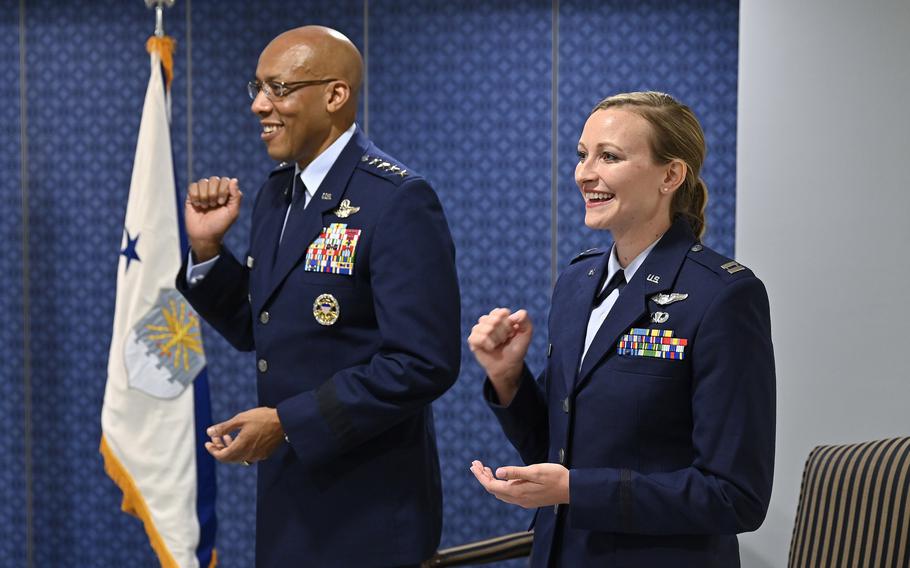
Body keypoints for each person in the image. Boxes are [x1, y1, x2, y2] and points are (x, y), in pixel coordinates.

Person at [176, 26, 460, 567]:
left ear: (334, 95)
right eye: (256, 88)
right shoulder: (276, 193)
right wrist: (208, 249)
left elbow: (423, 363)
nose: (260, 105)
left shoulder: (397, 199)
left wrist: (288, 422)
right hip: (289, 500)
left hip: (369, 509)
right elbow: (263, 324)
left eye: (279, 88)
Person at [467, 91, 775, 567]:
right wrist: (508, 377)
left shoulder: (724, 295)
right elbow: (555, 446)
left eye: (609, 156)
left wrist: (575, 488)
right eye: (582, 155)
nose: (585, 173)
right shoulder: (576, 282)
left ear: (670, 175)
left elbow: (735, 494)